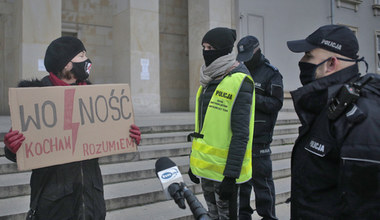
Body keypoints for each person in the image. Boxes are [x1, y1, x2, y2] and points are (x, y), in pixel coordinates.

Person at [3, 36, 142, 220]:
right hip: (54, 207)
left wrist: (127, 134)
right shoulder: (34, 98)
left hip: (92, 202)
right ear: (67, 64)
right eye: (82, 55)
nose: (87, 61)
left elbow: (105, 137)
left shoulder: (94, 98)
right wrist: (12, 147)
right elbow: (18, 152)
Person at [287, 24, 380, 219]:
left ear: (331, 64)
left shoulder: (361, 117)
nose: (302, 61)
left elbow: (366, 207)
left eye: (309, 55)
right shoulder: (328, 105)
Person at [187, 27, 255, 220]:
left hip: (226, 173)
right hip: (207, 170)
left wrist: (231, 176)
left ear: (225, 50)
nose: (206, 52)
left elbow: (241, 133)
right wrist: (193, 162)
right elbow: (203, 128)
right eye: (204, 47)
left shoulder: (240, 81)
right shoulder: (207, 82)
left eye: (211, 47)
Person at [236, 36, 283, 220]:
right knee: (242, 185)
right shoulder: (239, 70)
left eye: (248, 55)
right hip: (241, 137)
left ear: (257, 51)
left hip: (260, 139)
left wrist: (251, 96)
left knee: (262, 184)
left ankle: (269, 217)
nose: (245, 59)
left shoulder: (271, 74)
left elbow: (276, 103)